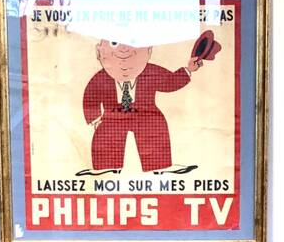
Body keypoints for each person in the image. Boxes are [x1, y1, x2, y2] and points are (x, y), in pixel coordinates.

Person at [80, 38, 206, 175]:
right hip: (112, 114)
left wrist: (188, 70)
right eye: (115, 43)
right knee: (105, 135)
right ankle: (107, 166)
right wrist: (95, 118)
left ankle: (159, 165)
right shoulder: (101, 77)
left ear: (148, 51)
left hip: (146, 112)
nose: (124, 50)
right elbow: (90, 95)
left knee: (155, 127)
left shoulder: (150, 72)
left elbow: (170, 82)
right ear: (99, 52)